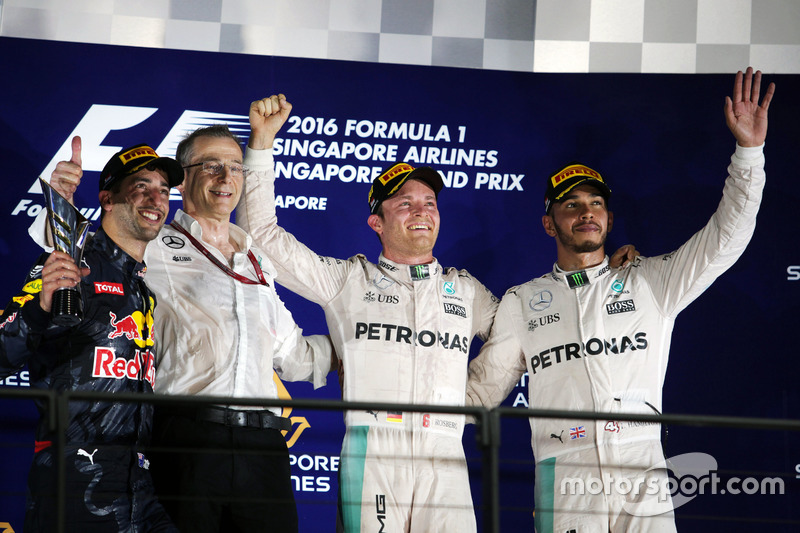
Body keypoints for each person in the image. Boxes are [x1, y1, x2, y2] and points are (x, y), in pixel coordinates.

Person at [236, 95, 636, 532]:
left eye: (429, 202)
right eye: (405, 203)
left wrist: (598, 279)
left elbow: (528, 335)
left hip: (445, 451)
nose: (422, 211)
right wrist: (260, 148)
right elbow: (261, 235)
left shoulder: (466, 292)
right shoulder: (347, 281)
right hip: (373, 449)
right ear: (377, 222)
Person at [464, 67, 775, 532]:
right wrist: (390, 391)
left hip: (642, 467)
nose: (585, 212)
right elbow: (481, 392)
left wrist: (749, 153)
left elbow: (726, 238)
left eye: (595, 203)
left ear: (609, 218)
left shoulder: (649, 281)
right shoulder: (522, 302)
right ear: (549, 224)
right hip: (563, 473)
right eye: (570, 205)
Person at [36, 127, 335, 533]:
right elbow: (78, 255)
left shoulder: (256, 260)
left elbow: (295, 357)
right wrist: (61, 203)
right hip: (188, 439)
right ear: (185, 178)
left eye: (234, 167)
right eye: (211, 166)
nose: (225, 178)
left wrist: (362, 346)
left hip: (263, 448)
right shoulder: (152, 238)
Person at [1, 143, 183, 532]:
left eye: (164, 190)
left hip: (138, 487)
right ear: (107, 198)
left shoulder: (143, 290)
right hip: (75, 486)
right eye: (141, 186)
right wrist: (40, 310)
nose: (157, 200)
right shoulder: (71, 265)